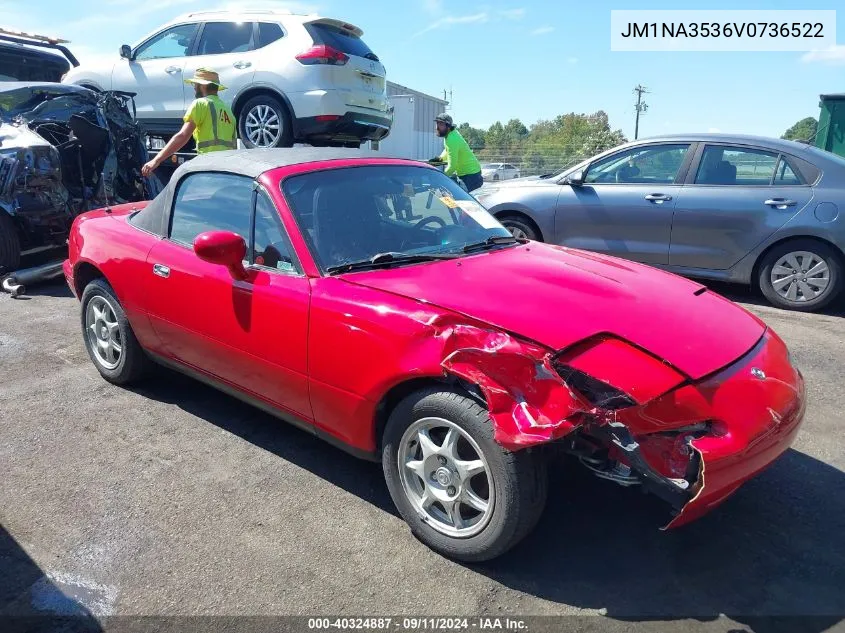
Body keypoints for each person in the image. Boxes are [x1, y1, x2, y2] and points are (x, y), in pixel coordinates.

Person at [141, 68, 237, 177]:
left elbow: (183, 135)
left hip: (208, 166)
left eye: (195, 84)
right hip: (226, 170)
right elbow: (233, 146)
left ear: (203, 85)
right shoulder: (228, 110)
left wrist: (156, 160)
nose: (194, 88)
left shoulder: (201, 104)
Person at [429, 113, 483, 192]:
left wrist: (440, 178)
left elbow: (452, 166)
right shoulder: (450, 134)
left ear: (448, 126)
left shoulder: (452, 139)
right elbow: (448, 150)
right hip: (469, 174)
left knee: (461, 201)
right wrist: (440, 158)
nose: (437, 127)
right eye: (437, 123)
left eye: (440, 124)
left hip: (471, 176)